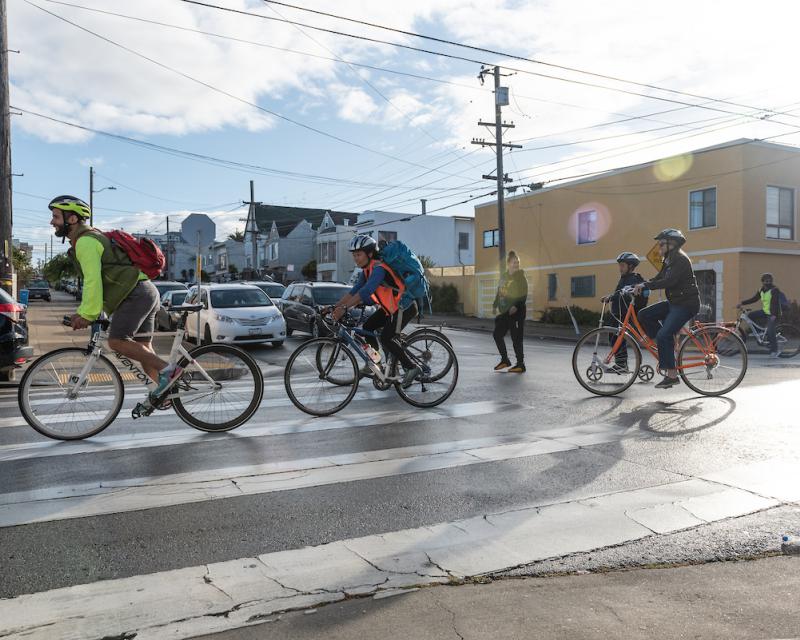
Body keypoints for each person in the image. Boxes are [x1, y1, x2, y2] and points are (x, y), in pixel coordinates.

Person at [48, 195, 178, 402]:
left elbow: (93, 281)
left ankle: (169, 371)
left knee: (117, 342)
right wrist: (88, 312)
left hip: (135, 293)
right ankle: (163, 394)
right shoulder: (91, 237)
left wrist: (88, 314)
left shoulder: (86, 242)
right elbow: (103, 278)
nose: (52, 222)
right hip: (145, 290)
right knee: (143, 348)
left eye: (56, 217)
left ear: (72, 219)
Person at [332, 234, 421, 387]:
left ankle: (412, 367)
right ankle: (376, 362)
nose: (356, 258)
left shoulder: (379, 269)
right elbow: (354, 291)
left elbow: (366, 291)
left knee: (387, 338)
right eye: (354, 255)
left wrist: (345, 308)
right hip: (391, 309)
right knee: (366, 328)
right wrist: (335, 307)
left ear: (370, 254)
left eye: (358, 254)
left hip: (404, 307)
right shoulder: (366, 271)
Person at [633, 229, 700, 389]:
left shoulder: (681, 260)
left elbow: (669, 281)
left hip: (686, 304)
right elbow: (658, 278)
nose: (659, 247)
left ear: (672, 244)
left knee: (664, 334)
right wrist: (637, 286)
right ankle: (665, 344)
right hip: (675, 302)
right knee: (644, 314)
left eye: (662, 244)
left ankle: (672, 376)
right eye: (659, 244)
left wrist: (646, 285)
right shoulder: (669, 259)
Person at [600, 252, 649, 372]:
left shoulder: (634, 278)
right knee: (613, 337)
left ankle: (622, 365)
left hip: (625, 314)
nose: (620, 268)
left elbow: (624, 292)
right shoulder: (624, 278)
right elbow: (619, 292)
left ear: (631, 266)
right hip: (618, 313)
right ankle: (621, 364)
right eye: (619, 265)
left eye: (622, 265)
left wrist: (610, 297)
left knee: (618, 338)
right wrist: (611, 296)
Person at [492, 251, 528, 373]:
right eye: (514, 262)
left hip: (517, 314)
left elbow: (524, 294)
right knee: (497, 334)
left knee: (516, 339)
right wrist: (495, 304)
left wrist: (516, 306)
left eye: (518, 262)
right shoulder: (504, 276)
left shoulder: (521, 278)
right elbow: (499, 291)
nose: (516, 264)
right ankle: (505, 360)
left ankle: (520, 364)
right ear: (508, 263)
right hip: (506, 313)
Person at [737, 273, 784, 357]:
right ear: (762, 282)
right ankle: (759, 333)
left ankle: (775, 351)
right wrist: (742, 303)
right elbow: (754, 299)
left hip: (773, 314)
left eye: (770, 281)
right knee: (750, 315)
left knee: (770, 331)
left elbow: (775, 303)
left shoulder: (774, 290)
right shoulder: (761, 290)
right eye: (766, 281)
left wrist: (773, 315)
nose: (768, 282)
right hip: (765, 312)